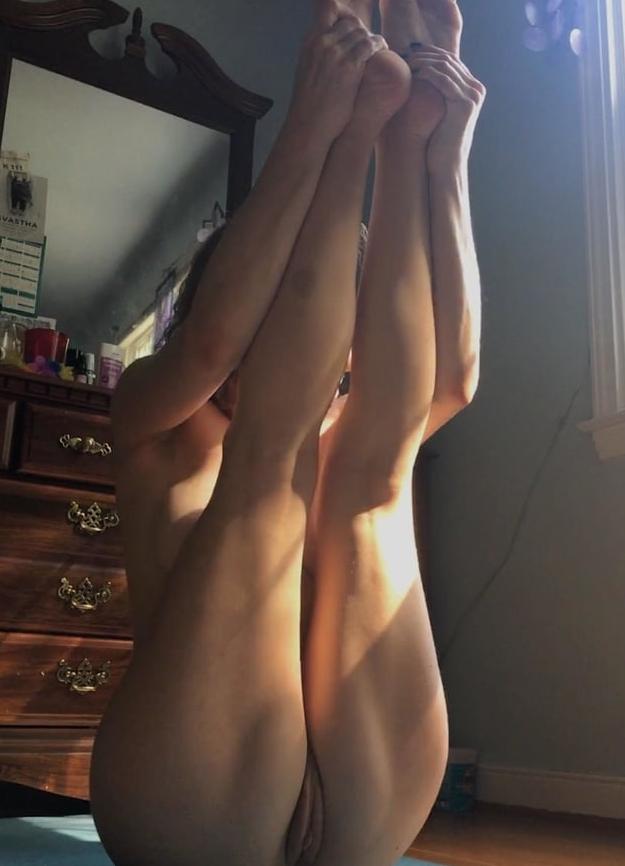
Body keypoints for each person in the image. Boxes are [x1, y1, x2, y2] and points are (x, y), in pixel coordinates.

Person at [90, 1, 485, 865]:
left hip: (363, 802)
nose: (273, 341)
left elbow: (452, 379)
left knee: (373, 480)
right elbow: (212, 346)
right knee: (273, 469)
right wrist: (327, 124)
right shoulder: (155, 424)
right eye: (262, 318)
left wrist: (437, 152)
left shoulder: (348, 433)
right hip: (193, 809)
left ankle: (399, 144)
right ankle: (373, 139)